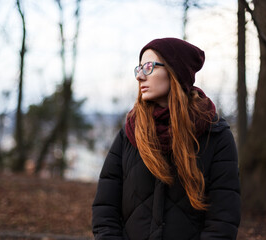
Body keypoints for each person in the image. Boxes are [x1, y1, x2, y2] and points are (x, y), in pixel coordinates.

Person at [92, 38, 241, 240]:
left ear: (175, 71)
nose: (140, 77)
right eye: (139, 68)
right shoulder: (130, 133)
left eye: (148, 67)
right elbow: (105, 211)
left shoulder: (215, 135)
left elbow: (222, 221)